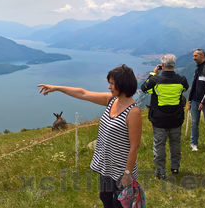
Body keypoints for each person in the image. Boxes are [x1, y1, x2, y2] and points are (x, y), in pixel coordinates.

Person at [38, 64, 142, 208]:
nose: (109, 87)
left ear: (122, 84)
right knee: (105, 197)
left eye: (112, 83)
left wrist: (127, 174)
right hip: (106, 167)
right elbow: (83, 93)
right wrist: (57, 88)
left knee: (119, 203)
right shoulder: (111, 100)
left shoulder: (133, 112)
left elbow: (135, 146)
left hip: (121, 170)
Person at [141, 54, 188, 179]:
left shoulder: (155, 81)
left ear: (162, 65)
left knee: (159, 145)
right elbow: (184, 89)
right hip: (176, 118)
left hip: (159, 119)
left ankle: (160, 171)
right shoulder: (182, 80)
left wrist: (153, 73)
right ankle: (175, 168)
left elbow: (144, 88)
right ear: (174, 65)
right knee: (175, 144)